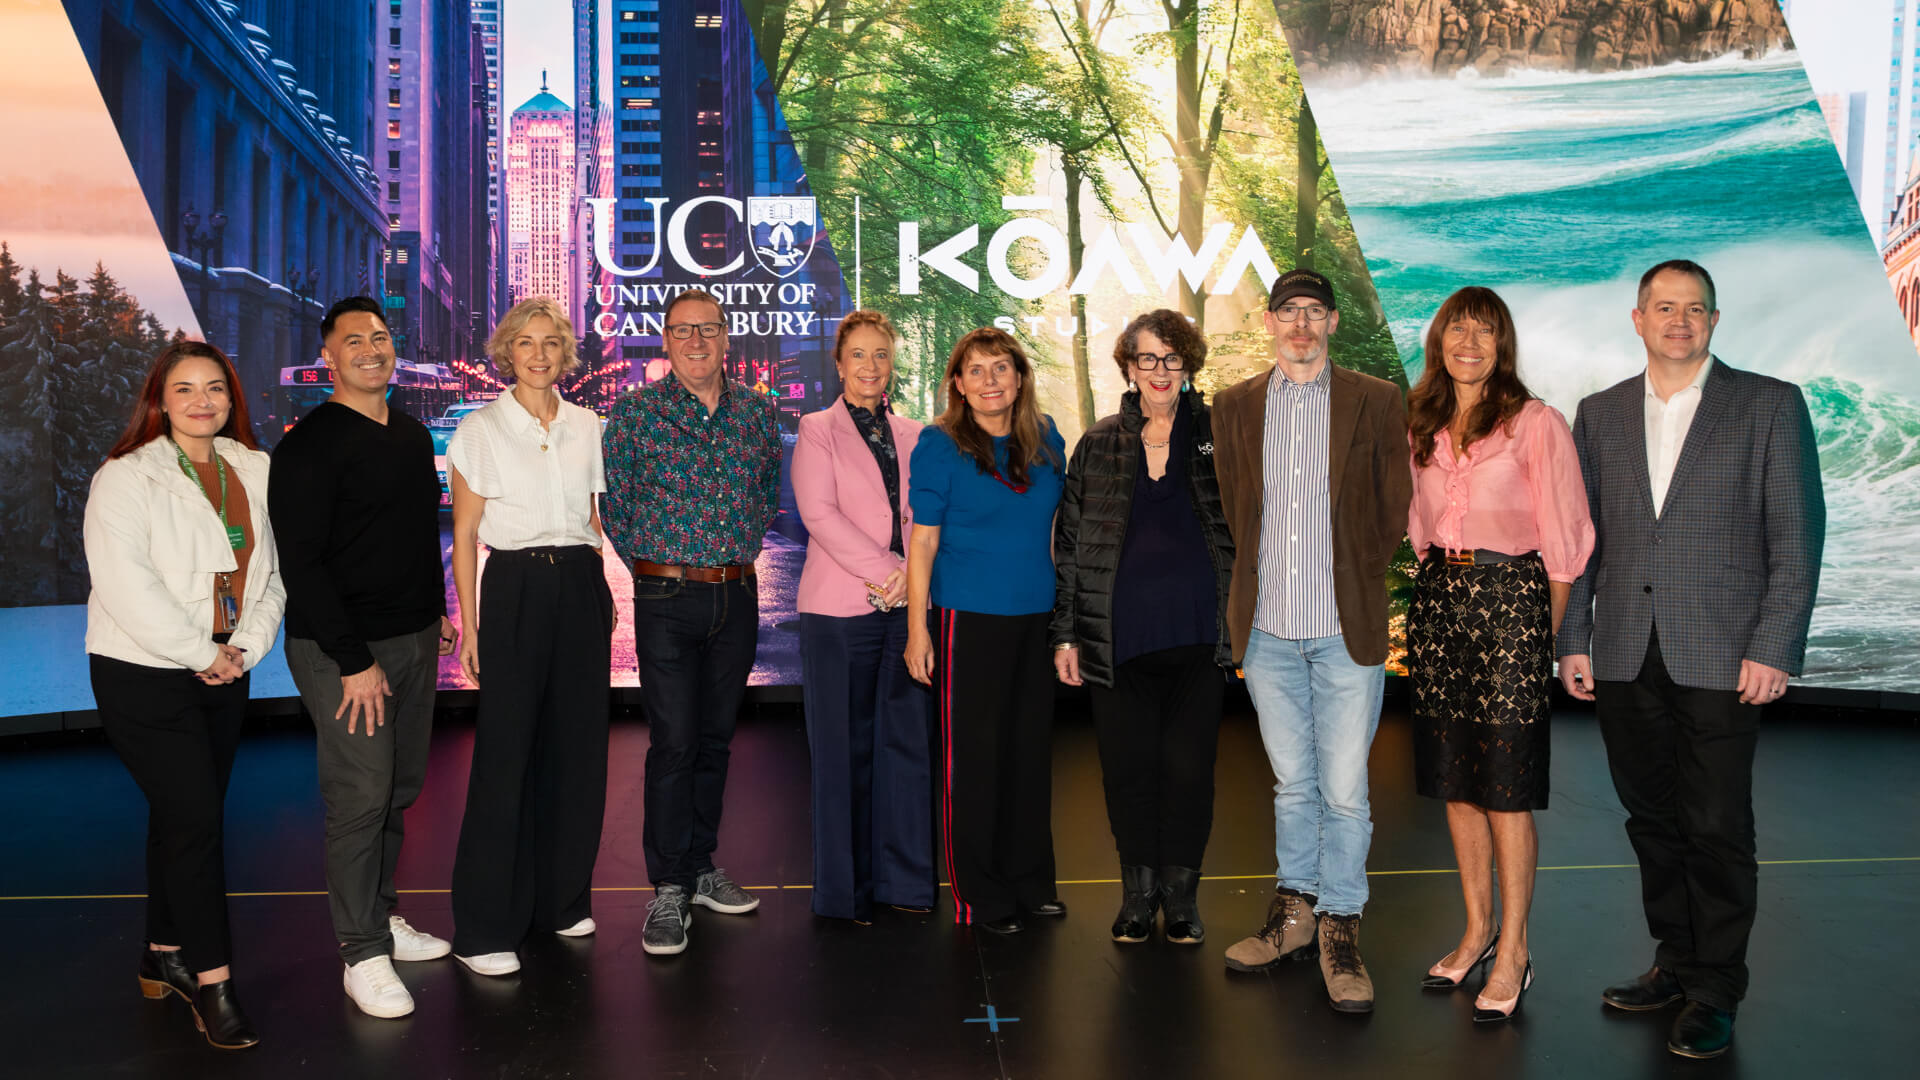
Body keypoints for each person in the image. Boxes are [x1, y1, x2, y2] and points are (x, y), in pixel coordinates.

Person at [1558, 260, 1824, 1059]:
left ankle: (1716, 987)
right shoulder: (1599, 413)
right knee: (1651, 821)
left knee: (1716, 827)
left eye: (1695, 308)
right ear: (1638, 319)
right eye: (1664, 307)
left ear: (1714, 319)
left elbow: (1796, 538)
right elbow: (1584, 538)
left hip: (1723, 654)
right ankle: (1675, 963)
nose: (1679, 320)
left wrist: (1774, 646)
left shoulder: (1769, 404)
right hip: (1623, 651)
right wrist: (1573, 638)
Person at [1214, 268, 1412, 1014]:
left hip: (1342, 628)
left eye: (1314, 312)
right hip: (1267, 629)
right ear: (1269, 322)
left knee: (1345, 791)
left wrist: (1359, 570)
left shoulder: (1375, 399)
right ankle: (1294, 916)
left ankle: (1340, 929)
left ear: (1332, 323)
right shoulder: (1235, 405)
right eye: (1288, 311)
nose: (1301, 324)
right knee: (1293, 786)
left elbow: (1394, 503)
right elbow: (1235, 504)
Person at [85, 341, 284, 1050]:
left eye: (215, 388)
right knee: (196, 822)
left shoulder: (254, 468)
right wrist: (204, 653)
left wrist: (245, 649)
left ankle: (161, 954)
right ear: (160, 401)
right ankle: (214, 984)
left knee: (181, 817)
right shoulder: (125, 476)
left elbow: (271, 575)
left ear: (232, 398)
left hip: (227, 668)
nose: (203, 401)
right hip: (143, 670)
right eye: (185, 389)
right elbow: (125, 585)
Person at [1404, 286, 1594, 1022]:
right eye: (1458, 329)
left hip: (1512, 600)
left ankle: (1514, 949)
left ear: (1502, 345)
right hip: (1439, 601)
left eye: (1484, 331)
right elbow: (1414, 519)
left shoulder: (1536, 422)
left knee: (1507, 789)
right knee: (1457, 784)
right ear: (1439, 341)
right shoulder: (1419, 421)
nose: (1469, 343)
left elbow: (1566, 538)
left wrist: (1543, 636)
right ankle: (1477, 930)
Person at [269, 297, 457, 1018]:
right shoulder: (308, 445)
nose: (370, 349)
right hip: (341, 650)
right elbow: (303, 563)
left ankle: (381, 915)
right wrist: (352, 660)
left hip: (412, 638)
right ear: (329, 358)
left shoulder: (409, 435)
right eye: (353, 340)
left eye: (379, 337)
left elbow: (414, 537)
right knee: (360, 794)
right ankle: (361, 953)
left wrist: (435, 611)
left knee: (398, 787)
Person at [602, 287, 783, 956]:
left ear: (726, 336)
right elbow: (615, 507)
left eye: (708, 328)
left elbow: (766, 494)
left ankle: (703, 867)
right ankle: (670, 887)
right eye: (682, 330)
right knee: (673, 743)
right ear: (666, 340)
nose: (696, 341)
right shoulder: (635, 414)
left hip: (735, 596)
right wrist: (658, 569)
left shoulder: (757, 414)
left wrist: (731, 550)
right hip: (666, 600)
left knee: (715, 741)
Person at [1051, 309, 1235, 945]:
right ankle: (1137, 896)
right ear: (1129, 367)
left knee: (1189, 774)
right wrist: (1066, 634)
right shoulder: (1098, 444)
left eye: (1172, 357)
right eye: (1147, 358)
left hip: (1199, 639)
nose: (1160, 371)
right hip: (1118, 640)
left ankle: (1181, 899)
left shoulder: (1217, 435)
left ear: (1189, 365)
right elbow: (1071, 547)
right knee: (1127, 774)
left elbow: (1249, 527)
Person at [445, 298, 614, 976]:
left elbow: (592, 521)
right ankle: (484, 928)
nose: (539, 354)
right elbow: (464, 534)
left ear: (566, 353)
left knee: (578, 751)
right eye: (525, 342)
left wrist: (602, 595)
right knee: (505, 754)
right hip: (515, 585)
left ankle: (561, 901)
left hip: (580, 583)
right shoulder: (481, 428)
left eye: (550, 342)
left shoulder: (587, 425)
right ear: (506, 352)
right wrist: (471, 625)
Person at [904, 327, 1067, 936]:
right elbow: (923, 543)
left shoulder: (1046, 437)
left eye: (1001, 367)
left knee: (1028, 755)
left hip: (1036, 618)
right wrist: (917, 630)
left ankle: (1031, 881)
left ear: (1019, 378)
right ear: (958, 383)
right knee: (973, 762)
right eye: (976, 370)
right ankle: (980, 894)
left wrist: (1067, 624)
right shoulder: (939, 445)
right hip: (965, 621)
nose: (990, 380)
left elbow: (1058, 531)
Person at [792, 310, 936, 924]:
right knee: (841, 750)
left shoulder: (918, 433)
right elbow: (819, 515)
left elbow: (930, 514)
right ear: (839, 362)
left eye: (881, 354)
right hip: (838, 612)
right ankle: (844, 892)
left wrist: (913, 582)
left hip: (908, 612)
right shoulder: (816, 429)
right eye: (858, 354)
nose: (870, 366)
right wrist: (893, 574)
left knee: (907, 747)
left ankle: (904, 882)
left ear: (892, 362)